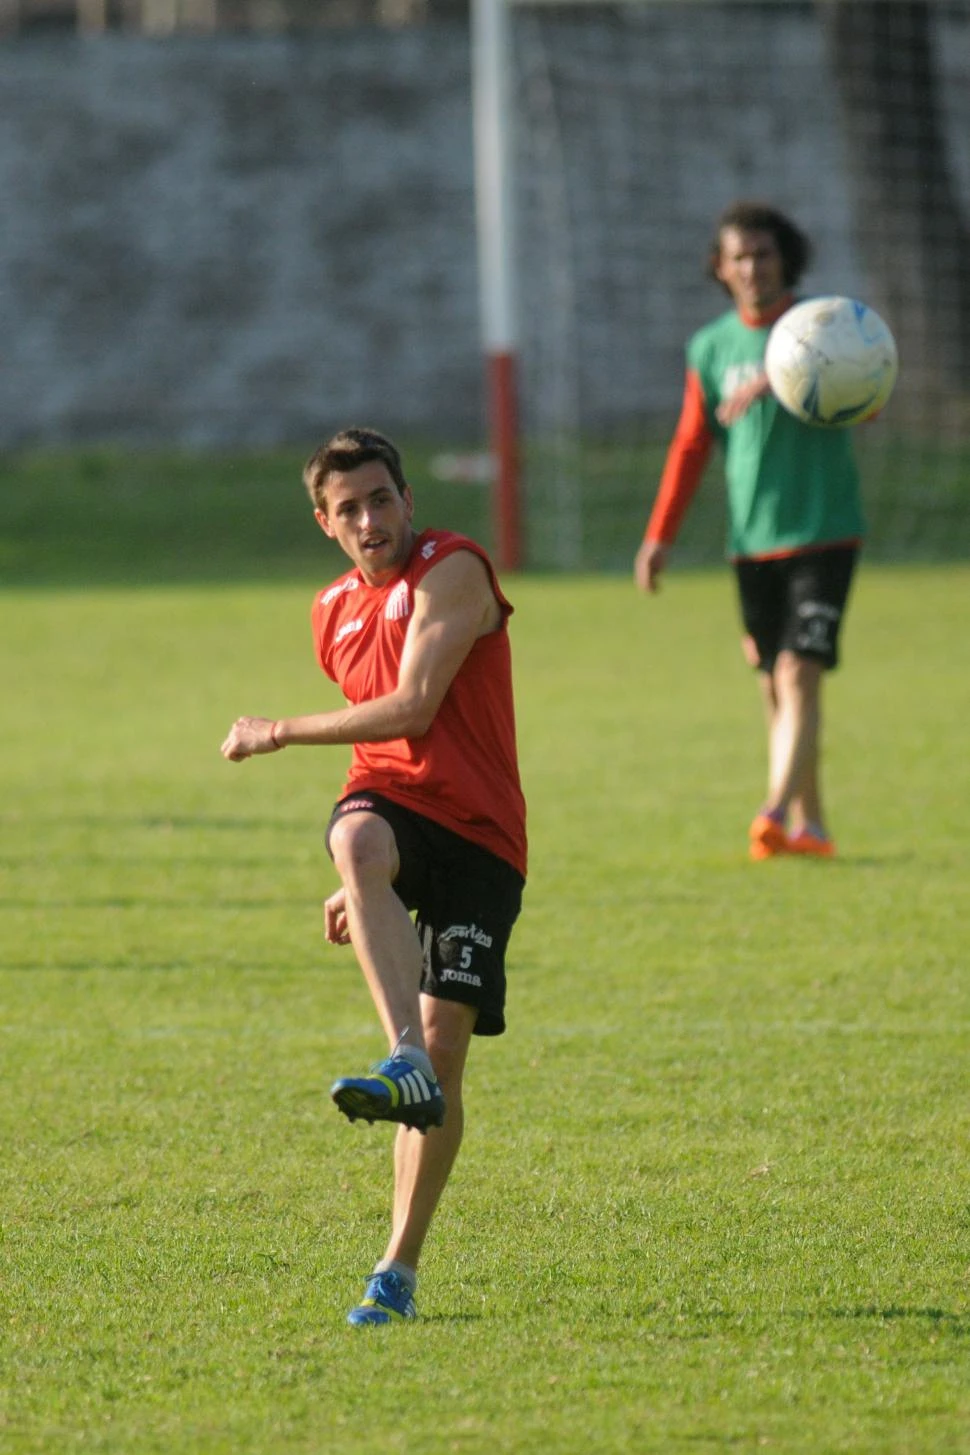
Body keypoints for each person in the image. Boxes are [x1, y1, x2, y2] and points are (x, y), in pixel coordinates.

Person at [220, 427, 526, 1324]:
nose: (369, 519)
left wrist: (275, 729)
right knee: (354, 845)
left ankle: (399, 1265)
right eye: (347, 508)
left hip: (480, 837)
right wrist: (366, 882)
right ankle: (400, 1058)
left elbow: (415, 708)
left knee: (449, 1053)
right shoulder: (330, 612)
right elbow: (381, 755)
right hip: (393, 810)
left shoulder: (454, 570)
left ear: (408, 500)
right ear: (326, 522)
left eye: (381, 499)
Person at [635, 201, 865, 860]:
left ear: (785, 258)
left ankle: (770, 811)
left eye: (764, 254)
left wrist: (786, 373)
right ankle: (812, 827)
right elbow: (689, 445)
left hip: (825, 531)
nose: (753, 267)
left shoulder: (821, 326)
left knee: (798, 673)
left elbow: (871, 402)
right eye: (739, 256)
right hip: (751, 541)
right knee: (775, 684)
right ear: (720, 268)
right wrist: (660, 536)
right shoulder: (709, 347)